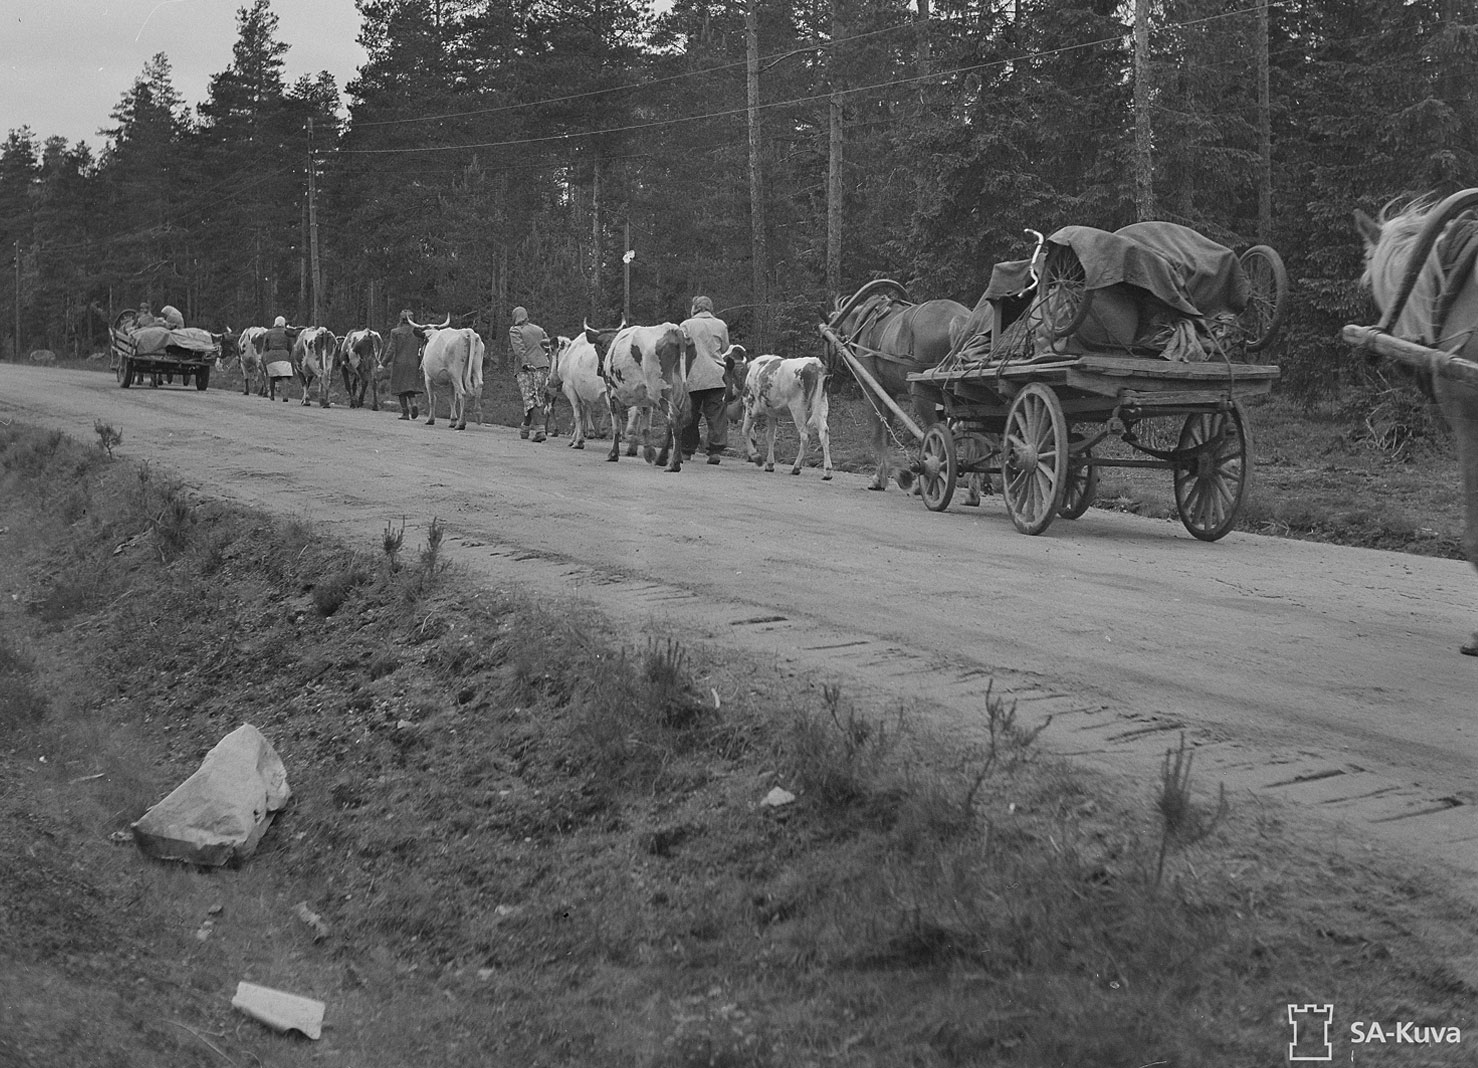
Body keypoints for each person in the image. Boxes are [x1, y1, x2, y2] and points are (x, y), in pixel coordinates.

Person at [679, 295, 731, 465]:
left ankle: (686, 449)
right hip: (716, 375)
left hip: (692, 375)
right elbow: (724, 347)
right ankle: (715, 451)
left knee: (690, 414)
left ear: (695, 308)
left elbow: (681, 348)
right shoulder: (721, 325)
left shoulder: (686, 325)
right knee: (716, 414)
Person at [508, 306, 551, 442]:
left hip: (526, 368)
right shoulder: (539, 329)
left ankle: (540, 431)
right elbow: (548, 347)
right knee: (537, 398)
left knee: (529, 399)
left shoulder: (515, 330)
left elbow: (519, 350)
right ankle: (525, 428)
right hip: (543, 367)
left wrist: (525, 363)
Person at [384, 309, 425, 420]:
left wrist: (383, 363)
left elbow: (391, 349)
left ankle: (405, 413)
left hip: (399, 363)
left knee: (400, 389)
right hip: (414, 363)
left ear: (401, 319)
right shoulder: (417, 332)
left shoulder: (395, 332)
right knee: (410, 388)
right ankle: (414, 404)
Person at [262, 315, 300, 402]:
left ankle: (272, 395)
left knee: (272, 376)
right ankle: (285, 396)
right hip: (284, 355)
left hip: (271, 356)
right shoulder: (286, 333)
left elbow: (265, 346)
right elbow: (290, 347)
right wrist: (288, 354)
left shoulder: (269, 333)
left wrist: (265, 355)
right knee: (285, 376)